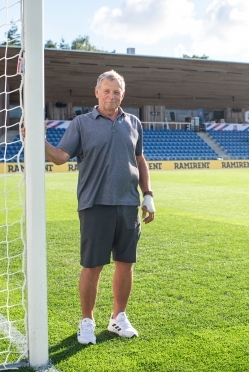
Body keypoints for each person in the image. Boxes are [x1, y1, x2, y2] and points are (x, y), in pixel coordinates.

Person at [28, 70, 155, 345]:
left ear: (123, 94)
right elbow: (61, 157)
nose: (112, 96)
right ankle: (87, 321)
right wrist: (40, 142)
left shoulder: (133, 122)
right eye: (107, 90)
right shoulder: (81, 123)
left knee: (126, 263)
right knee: (92, 265)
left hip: (128, 204)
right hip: (94, 203)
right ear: (97, 92)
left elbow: (140, 159)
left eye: (117, 92)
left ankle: (118, 318)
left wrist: (148, 194)